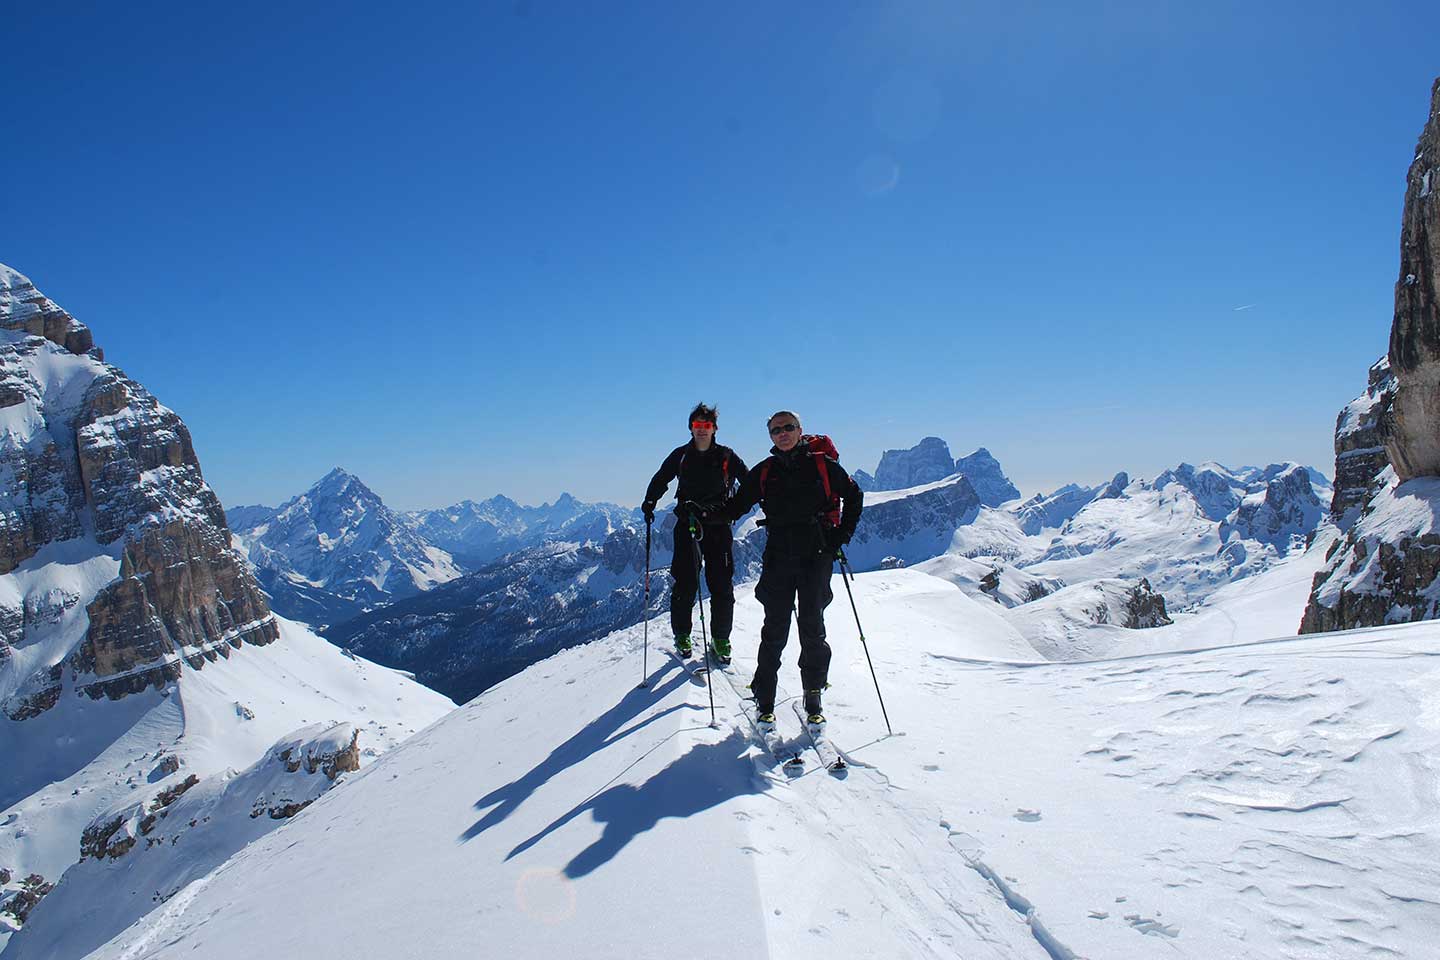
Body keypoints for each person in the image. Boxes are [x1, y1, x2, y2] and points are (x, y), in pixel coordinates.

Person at [724, 410, 862, 724]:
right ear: (770, 436)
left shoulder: (823, 466)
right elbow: (735, 507)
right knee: (775, 629)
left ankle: (813, 696)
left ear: (800, 430)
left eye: (788, 427)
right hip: (779, 559)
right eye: (776, 430)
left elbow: (854, 496)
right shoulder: (764, 472)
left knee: (812, 629)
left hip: (816, 555)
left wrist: (842, 535)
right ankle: (765, 695)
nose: (782, 433)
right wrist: (704, 511)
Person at [642, 403, 748, 663]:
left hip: (719, 525)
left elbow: (749, 482)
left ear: (714, 429)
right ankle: (682, 634)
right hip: (687, 524)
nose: (702, 430)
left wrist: (734, 510)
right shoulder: (681, 455)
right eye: (698, 425)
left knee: (721, 584)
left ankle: (721, 638)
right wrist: (650, 501)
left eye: (707, 425)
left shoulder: (727, 456)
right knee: (686, 582)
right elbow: (661, 478)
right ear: (691, 428)